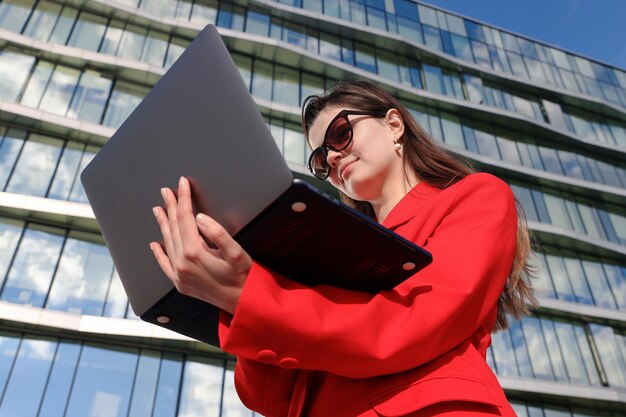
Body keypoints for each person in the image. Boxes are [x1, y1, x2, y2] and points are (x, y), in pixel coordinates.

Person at [150, 79, 537, 416]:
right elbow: (268, 397)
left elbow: (413, 323)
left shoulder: (475, 197)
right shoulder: (324, 245)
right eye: (320, 159)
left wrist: (252, 296)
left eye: (340, 134)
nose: (332, 157)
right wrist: (243, 301)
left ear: (394, 125)